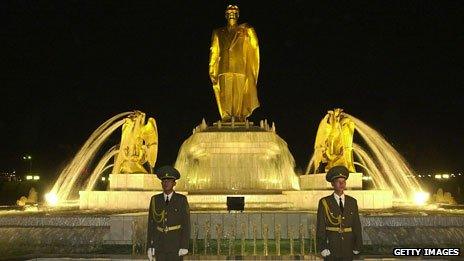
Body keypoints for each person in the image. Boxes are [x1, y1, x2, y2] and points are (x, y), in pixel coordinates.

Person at [209, 5, 260, 122]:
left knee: (238, 94)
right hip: (223, 68)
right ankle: (226, 116)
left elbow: (254, 45)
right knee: (225, 94)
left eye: (234, 12)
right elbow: (214, 52)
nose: (232, 14)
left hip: (239, 67)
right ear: (226, 15)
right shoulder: (218, 32)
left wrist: (250, 30)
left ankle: (237, 116)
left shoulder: (244, 30)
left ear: (238, 15)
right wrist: (212, 69)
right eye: (229, 12)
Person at [316, 165, 362, 260]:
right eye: (338, 182)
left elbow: (356, 225)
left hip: (348, 245)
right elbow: (320, 226)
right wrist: (323, 246)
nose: (342, 184)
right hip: (332, 245)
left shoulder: (352, 201)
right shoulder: (324, 202)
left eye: (343, 182)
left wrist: (358, 245)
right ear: (332, 184)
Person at [147, 165, 190, 261]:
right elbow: (151, 225)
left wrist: (184, 246)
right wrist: (150, 246)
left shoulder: (181, 200)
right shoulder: (155, 200)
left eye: (169, 181)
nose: (166, 183)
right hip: (159, 244)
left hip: (175, 244)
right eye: (164, 181)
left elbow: (186, 224)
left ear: (174, 183)